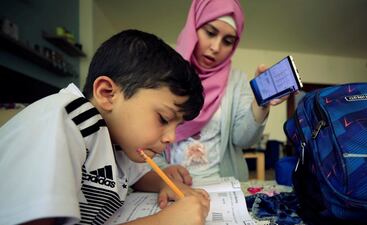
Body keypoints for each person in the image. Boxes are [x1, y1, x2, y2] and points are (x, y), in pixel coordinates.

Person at [0, 29, 210, 225]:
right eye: (164, 118)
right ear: (107, 93)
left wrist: (168, 184)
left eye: (177, 125)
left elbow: (140, 177)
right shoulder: (64, 124)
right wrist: (163, 221)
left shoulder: (119, 138)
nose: (171, 137)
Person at [154, 0, 290, 182]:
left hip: (221, 185)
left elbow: (243, 139)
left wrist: (261, 103)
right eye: (210, 33)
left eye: (228, 41)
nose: (215, 48)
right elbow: (148, 135)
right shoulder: (162, 74)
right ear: (193, 27)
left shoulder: (236, 81)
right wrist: (162, 175)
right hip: (169, 184)